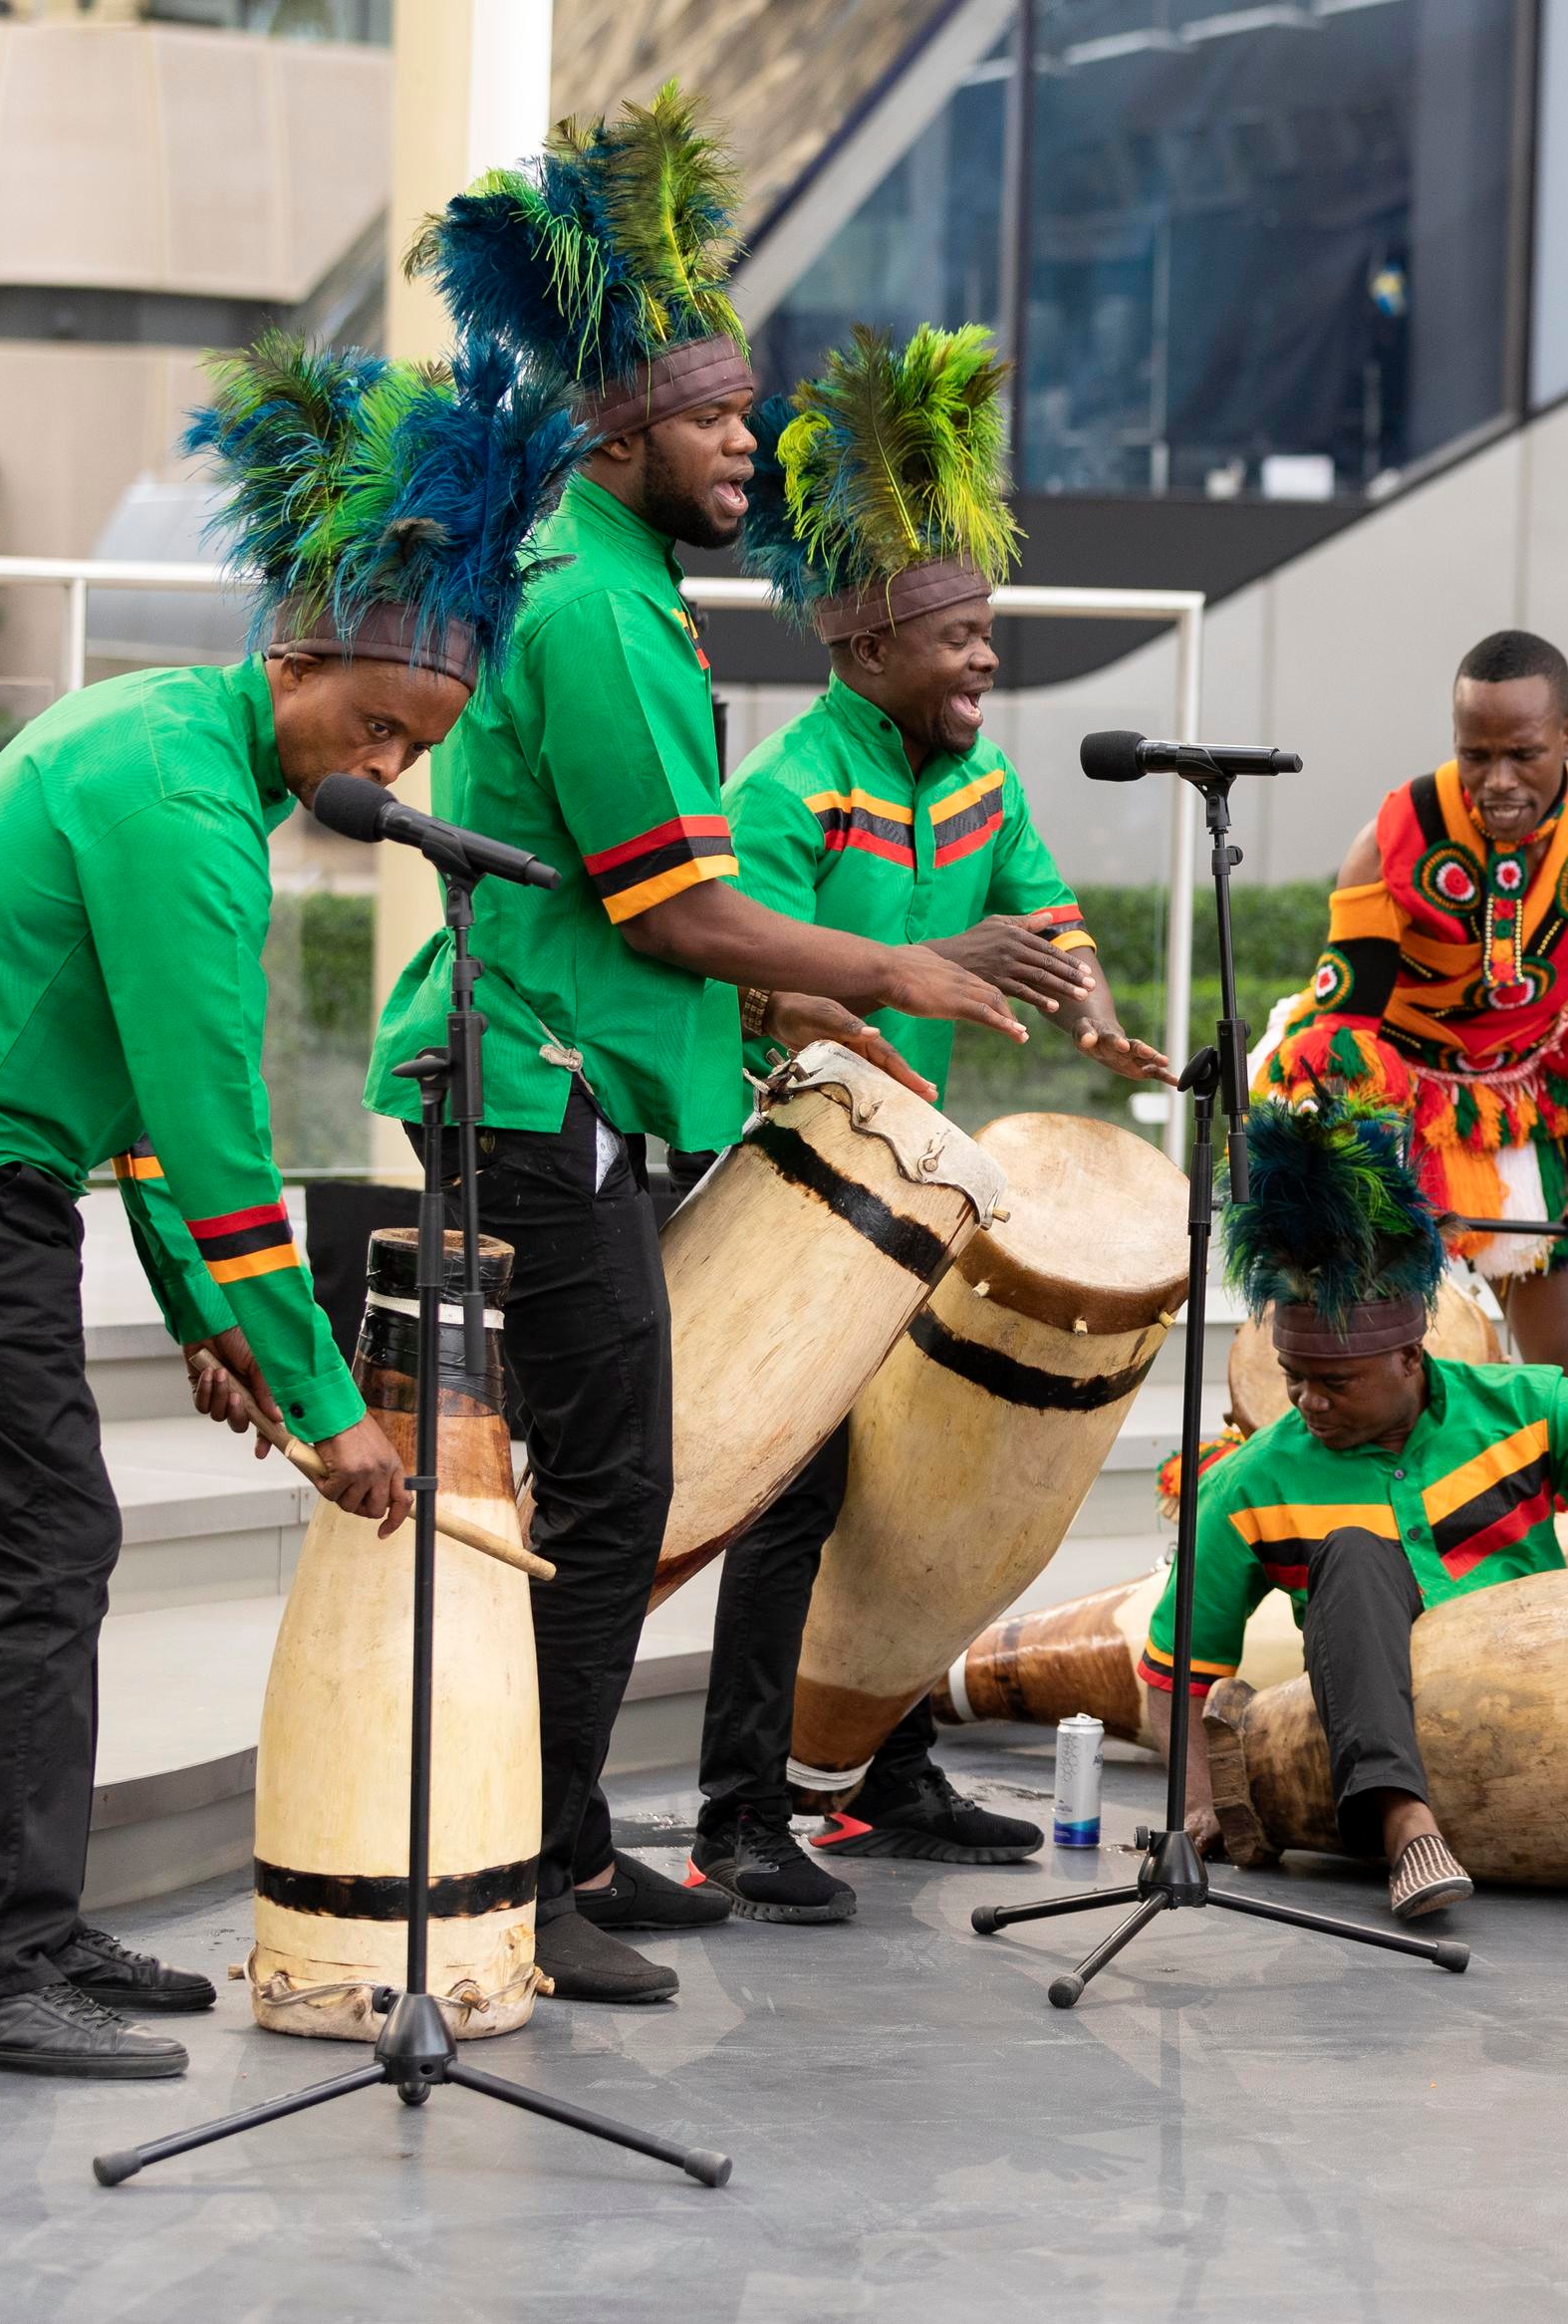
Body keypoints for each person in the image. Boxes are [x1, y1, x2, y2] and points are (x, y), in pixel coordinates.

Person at [381, 88, 1032, 2005]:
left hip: (568, 1074)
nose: (748, 438)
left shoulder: (624, 589)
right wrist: (894, 974)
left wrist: (809, 992)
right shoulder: (596, 610)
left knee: (608, 1481)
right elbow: (669, 911)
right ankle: (536, 1865)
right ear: (614, 425)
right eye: (714, 413)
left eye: (746, 407)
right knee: (606, 1491)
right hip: (530, 1090)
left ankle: (574, 1835)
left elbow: (643, 916)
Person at [0, 335, 578, 2076]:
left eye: (417, 744)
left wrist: (214, 1315)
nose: (387, 768)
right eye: (372, 723)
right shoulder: (184, 808)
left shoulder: (176, 752)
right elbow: (211, 1131)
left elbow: (139, 1110)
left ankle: (29, 1917)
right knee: (47, 1551)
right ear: (287, 656)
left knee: (49, 1546)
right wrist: (320, 1397)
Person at [671, 325, 1176, 1924]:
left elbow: (1045, 912)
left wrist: (1091, 1009)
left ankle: (881, 1773)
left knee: (902, 1489)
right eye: (957, 642)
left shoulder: (981, 780)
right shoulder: (787, 791)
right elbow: (747, 987)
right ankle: (741, 1810)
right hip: (801, 1189)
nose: (982, 663)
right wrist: (899, 1001)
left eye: (985, 636)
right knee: (798, 1492)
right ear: (870, 651)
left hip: (924, 1188)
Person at [1138, 1098, 1568, 1921]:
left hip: (1551, 1722)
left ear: (1412, 1353)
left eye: (1334, 1382)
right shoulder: (1249, 1485)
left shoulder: (1533, 1406)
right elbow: (1174, 1673)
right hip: (1381, 1755)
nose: (1306, 1401)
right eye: (1294, 1375)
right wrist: (1198, 1804)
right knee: (1351, 1550)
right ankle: (1406, 1830)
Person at [1257, 630, 1568, 1386]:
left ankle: (1565, 1506)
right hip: (1386, 1098)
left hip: (1530, 1090)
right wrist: (1384, 1188)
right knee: (1367, 1367)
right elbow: (1341, 1039)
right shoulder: (1394, 838)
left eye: (1523, 754)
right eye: (1475, 754)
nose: (1497, 780)